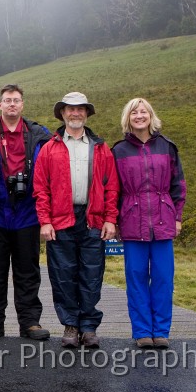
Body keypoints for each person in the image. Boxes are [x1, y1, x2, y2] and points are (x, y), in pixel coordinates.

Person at [33, 91, 119, 348]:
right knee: (63, 275)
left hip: (93, 219)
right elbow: (41, 188)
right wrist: (45, 221)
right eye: (70, 109)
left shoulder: (101, 148)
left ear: (87, 113)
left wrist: (110, 219)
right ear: (62, 113)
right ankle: (71, 325)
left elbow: (111, 187)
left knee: (92, 274)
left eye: (81, 109)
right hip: (61, 220)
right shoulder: (49, 148)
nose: (75, 113)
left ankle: (89, 326)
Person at [0, 84, 52, 341]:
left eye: (16, 100)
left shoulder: (39, 134)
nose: (12, 105)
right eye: (7, 100)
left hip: (27, 213)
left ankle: (30, 322)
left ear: (22, 105)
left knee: (28, 271)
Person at [111, 98, 186, 350]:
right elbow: (113, 190)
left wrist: (177, 216)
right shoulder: (119, 150)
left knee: (164, 278)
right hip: (132, 224)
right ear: (128, 118)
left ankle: (161, 331)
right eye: (134, 112)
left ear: (151, 116)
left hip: (164, 221)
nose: (139, 116)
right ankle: (142, 331)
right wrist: (115, 220)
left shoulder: (167, 147)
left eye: (144, 111)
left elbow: (178, 185)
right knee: (136, 278)